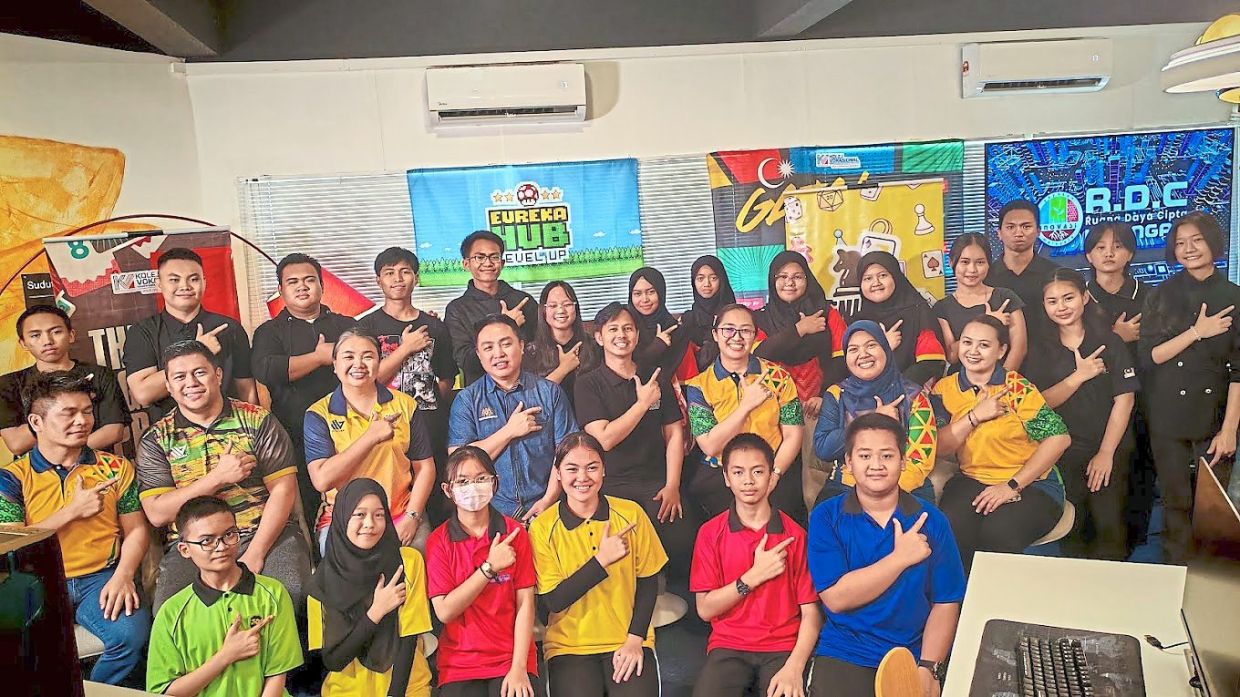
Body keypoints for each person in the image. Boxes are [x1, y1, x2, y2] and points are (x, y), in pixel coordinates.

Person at [0, 371, 149, 685]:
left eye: (87, 411)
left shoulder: (116, 468)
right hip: (36, 579)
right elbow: (12, 545)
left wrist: (124, 575)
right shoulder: (11, 477)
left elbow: (135, 530)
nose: (82, 421)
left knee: (130, 636)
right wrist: (71, 512)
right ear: (36, 422)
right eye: (68, 413)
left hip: (101, 577)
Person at [137, 340, 311, 610]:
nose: (191, 383)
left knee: (289, 596)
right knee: (171, 611)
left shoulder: (258, 421)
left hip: (261, 533)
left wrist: (255, 553)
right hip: (193, 546)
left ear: (217, 375)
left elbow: (283, 490)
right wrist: (217, 478)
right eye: (179, 377)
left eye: (199, 372)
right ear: (169, 387)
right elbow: (158, 513)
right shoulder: (156, 439)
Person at [807, 413, 965, 697]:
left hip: (910, 653)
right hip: (845, 651)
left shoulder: (933, 520)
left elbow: (945, 602)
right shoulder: (826, 517)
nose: (876, 466)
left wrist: (929, 667)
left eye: (887, 456)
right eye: (865, 455)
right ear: (848, 463)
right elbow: (836, 597)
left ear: (903, 462)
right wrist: (899, 558)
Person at [530, 432, 668, 697]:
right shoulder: (542, 527)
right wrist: (601, 561)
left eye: (592, 467)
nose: (582, 478)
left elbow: (649, 583)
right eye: (572, 469)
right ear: (557, 473)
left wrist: (635, 640)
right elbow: (552, 601)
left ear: (604, 471)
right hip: (569, 647)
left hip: (626, 639)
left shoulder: (630, 513)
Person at [930, 315, 1070, 573]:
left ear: (1001, 350)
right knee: (950, 528)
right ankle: (960, 605)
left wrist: (1011, 485)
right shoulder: (944, 389)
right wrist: (975, 416)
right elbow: (938, 447)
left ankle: (1000, 605)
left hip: (1032, 483)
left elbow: (1059, 438)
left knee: (999, 533)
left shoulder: (1016, 387)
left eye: (984, 345)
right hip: (973, 479)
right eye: (967, 342)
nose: (973, 351)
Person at [1138, 211, 1240, 564]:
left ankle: (1211, 589)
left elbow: (1239, 372)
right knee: (1175, 506)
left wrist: (1229, 431)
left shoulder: (1234, 295)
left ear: (1213, 242)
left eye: (1196, 240)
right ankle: (1175, 580)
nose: (1188, 249)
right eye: (1180, 243)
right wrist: (1197, 332)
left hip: (1215, 419)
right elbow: (1150, 356)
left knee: (1214, 509)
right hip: (1167, 416)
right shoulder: (1160, 295)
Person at [690, 433, 820, 697]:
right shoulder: (710, 533)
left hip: (782, 647)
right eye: (738, 472)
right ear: (726, 478)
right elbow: (705, 609)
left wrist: (795, 666)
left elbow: (812, 614)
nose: (748, 481)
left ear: (772, 476)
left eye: (758, 471)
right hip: (728, 646)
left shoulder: (795, 535)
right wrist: (751, 578)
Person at [1024, 269, 1137, 560]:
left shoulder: (1109, 342)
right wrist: (1079, 376)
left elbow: (1124, 400)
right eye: (1052, 301)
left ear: (1085, 297)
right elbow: (1039, 403)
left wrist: (1106, 453)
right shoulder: (1039, 350)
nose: (1061, 307)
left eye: (1068, 297)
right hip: (1063, 453)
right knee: (1073, 532)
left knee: (1110, 529)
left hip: (1108, 447)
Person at [575, 302, 694, 577]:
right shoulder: (588, 383)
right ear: (599, 336)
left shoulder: (654, 376)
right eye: (613, 329)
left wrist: (672, 485)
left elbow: (674, 433)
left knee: (683, 536)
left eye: (628, 328)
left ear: (638, 335)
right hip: (609, 486)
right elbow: (604, 439)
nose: (622, 335)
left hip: (656, 482)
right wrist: (642, 405)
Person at [147, 496, 303, 697]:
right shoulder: (172, 613)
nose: (221, 547)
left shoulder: (273, 593)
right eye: (207, 541)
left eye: (229, 534)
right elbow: (166, 691)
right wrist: (226, 656)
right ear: (185, 550)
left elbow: (277, 675)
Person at [250, 253, 355, 535]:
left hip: (350, 430)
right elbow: (267, 370)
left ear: (322, 286)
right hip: (293, 434)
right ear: (281, 290)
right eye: (292, 282)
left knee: (354, 498)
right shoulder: (269, 331)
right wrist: (320, 357)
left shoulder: (346, 325)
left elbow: (364, 363)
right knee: (306, 507)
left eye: (309, 280)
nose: (302, 286)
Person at [304, 329, 437, 552]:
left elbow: (425, 467)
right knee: (339, 566)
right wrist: (371, 437)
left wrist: (413, 516)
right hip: (345, 519)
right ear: (335, 365)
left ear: (378, 362)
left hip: (399, 512)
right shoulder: (319, 414)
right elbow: (322, 480)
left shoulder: (405, 405)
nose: (358, 364)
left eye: (367, 356)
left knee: (421, 557)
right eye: (348, 357)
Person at [426, 447, 538, 697]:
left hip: (511, 658)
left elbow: (525, 605)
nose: (473, 488)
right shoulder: (438, 541)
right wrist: (488, 568)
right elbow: (444, 611)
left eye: (481, 479)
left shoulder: (515, 533)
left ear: (494, 483)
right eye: (463, 481)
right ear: (447, 490)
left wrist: (519, 667)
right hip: (460, 665)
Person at [307, 478, 434, 697]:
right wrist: (376, 612)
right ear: (343, 517)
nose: (370, 524)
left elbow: (409, 640)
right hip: (349, 690)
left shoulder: (408, 562)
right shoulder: (322, 583)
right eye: (359, 514)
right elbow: (334, 660)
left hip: (406, 685)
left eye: (379, 515)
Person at [684, 303, 807, 526]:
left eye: (745, 330)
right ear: (716, 334)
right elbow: (710, 445)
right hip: (723, 474)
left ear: (754, 335)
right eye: (728, 329)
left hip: (772, 469)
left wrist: (775, 474)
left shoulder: (777, 376)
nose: (736, 337)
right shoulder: (699, 386)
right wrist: (746, 406)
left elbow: (793, 433)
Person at [448, 314, 578, 521]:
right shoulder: (467, 400)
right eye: (488, 348)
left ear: (521, 346)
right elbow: (459, 462)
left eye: (506, 344)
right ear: (479, 355)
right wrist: (509, 431)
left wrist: (548, 500)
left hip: (551, 507)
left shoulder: (550, 393)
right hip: (490, 512)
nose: (498, 353)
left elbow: (568, 453)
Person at [1082, 222, 1155, 552]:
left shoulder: (1150, 295)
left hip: (1141, 396)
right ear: (1088, 254)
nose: (1109, 253)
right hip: (1092, 399)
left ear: (1130, 252)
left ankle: (1132, 546)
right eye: (1101, 247)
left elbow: (1157, 348)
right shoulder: (1080, 297)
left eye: (1118, 246)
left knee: (1138, 470)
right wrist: (1116, 337)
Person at [124, 247, 257, 423]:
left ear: (204, 282)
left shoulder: (229, 328)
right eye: (174, 280)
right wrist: (200, 350)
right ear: (159, 284)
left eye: (193, 279)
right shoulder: (142, 332)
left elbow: (246, 389)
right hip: (171, 438)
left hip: (230, 431)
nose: (185, 286)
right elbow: (143, 393)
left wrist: (252, 430)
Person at [813, 321, 937, 504]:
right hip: (846, 485)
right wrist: (871, 419)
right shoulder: (837, 394)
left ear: (886, 349)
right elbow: (823, 448)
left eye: (871, 345)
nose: (863, 354)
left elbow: (920, 461)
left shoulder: (914, 396)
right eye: (853, 349)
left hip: (904, 485)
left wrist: (877, 493)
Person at [358, 247, 457, 451]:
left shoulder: (435, 326)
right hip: (383, 424)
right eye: (389, 273)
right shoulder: (365, 327)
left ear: (416, 278)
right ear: (379, 280)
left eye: (405, 271)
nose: (398, 278)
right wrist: (405, 349)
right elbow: (366, 380)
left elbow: (447, 378)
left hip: (429, 425)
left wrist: (432, 406)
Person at [0, 305, 128, 456]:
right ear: (23, 343)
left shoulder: (100, 375)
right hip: (38, 475)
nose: (47, 341)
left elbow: (113, 432)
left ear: (71, 335)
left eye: (56, 332)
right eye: (35, 335)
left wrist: (70, 456)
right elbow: (16, 443)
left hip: (95, 468)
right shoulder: (8, 384)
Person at [753, 251, 846, 420]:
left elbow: (841, 359)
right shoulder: (760, 318)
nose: (789, 282)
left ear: (807, 280)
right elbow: (760, 355)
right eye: (782, 276)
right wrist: (799, 330)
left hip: (819, 407)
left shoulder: (826, 313)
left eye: (797, 277)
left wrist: (825, 395)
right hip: (775, 407)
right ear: (773, 280)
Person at [444, 230, 537, 386]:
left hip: (527, 387)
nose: (488, 263)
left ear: (502, 262)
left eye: (494, 257)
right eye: (479, 257)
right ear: (466, 264)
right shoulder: (457, 309)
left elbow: (539, 348)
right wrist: (507, 325)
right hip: (481, 393)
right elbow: (466, 362)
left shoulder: (523, 300)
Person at [847, 251, 946, 384]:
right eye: (867, 278)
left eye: (882, 275)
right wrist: (884, 347)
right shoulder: (857, 321)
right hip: (869, 396)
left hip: (911, 393)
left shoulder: (918, 312)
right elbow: (851, 367)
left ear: (896, 277)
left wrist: (896, 389)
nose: (876, 283)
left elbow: (930, 362)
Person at [933, 233, 1028, 371]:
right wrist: (988, 320)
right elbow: (952, 355)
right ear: (951, 262)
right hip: (960, 386)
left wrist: (1001, 382)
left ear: (989, 264)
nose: (972, 269)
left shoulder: (1005, 298)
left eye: (980, 262)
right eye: (965, 262)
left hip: (1004, 383)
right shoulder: (942, 307)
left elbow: (1019, 348)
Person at [524, 281, 599, 410]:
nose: (561, 310)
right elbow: (531, 400)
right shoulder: (531, 352)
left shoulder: (594, 346)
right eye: (553, 305)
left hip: (590, 422)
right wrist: (563, 369)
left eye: (567, 304)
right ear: (544, 311)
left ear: (576, 308)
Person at [984, 199, 1062, 314]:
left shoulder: (1056, 274)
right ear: (999, 233)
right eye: (1011, 227)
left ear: (1038, 231)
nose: (1018, 233)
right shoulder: (986, 277)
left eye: (1026, 227)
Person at [629, 267, 692, 378]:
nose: (644, 299)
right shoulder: (626, 327)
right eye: (637, 294)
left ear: (661, 293)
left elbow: (668, 374)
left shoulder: (674, 330)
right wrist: (656, 347)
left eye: (651, 292)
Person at [680, 255, 736, 377]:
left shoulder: (735, 315)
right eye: (700, 279)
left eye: (713, 278)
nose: (707, 284)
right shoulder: (687, 320)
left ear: (722, 280)